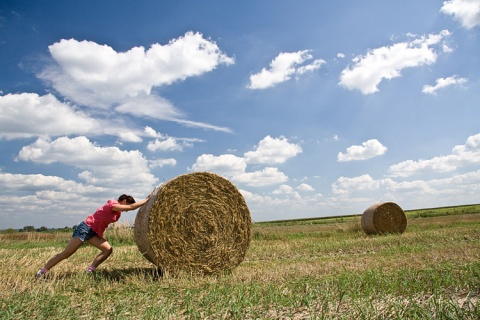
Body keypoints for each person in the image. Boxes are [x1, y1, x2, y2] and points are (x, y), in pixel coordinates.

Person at [35, 193, 150, 278]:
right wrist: (147, 200)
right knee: (67, 253)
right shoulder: (112, 203)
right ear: (124, 201)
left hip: (94, 233)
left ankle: (90, 270)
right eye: (127, 206)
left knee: (108, 250)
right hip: (85, 228)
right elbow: (131, 207)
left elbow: (128, 208)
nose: (126, 211)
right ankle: (42, 271)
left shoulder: (117, 214)